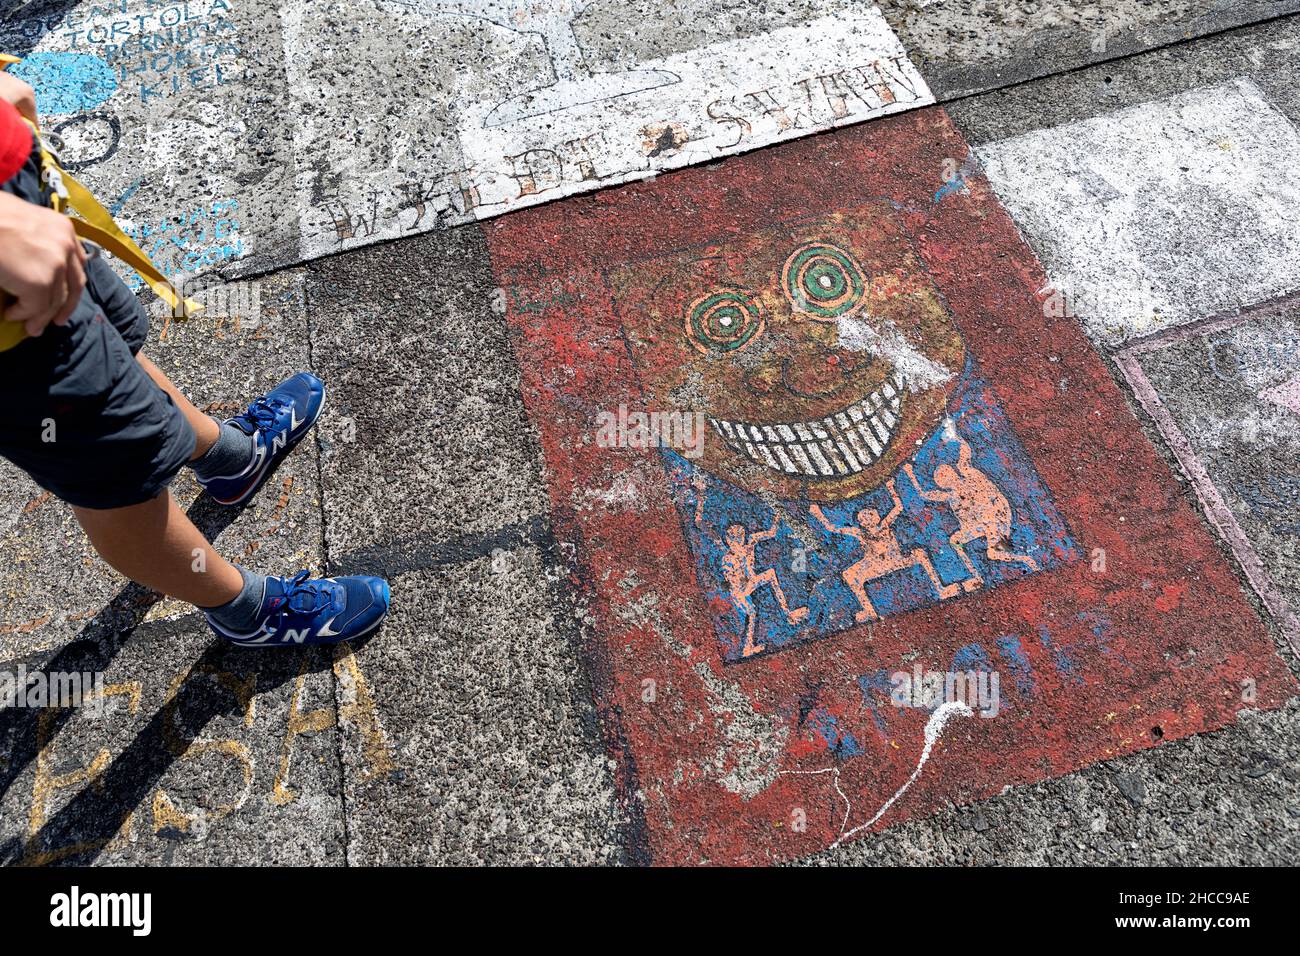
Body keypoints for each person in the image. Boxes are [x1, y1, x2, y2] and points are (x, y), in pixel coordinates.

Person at [0, 67, 390, 646]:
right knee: (114, 477)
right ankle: (244, 609)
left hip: (25, 207)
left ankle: (230, 458)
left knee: (116, 358)